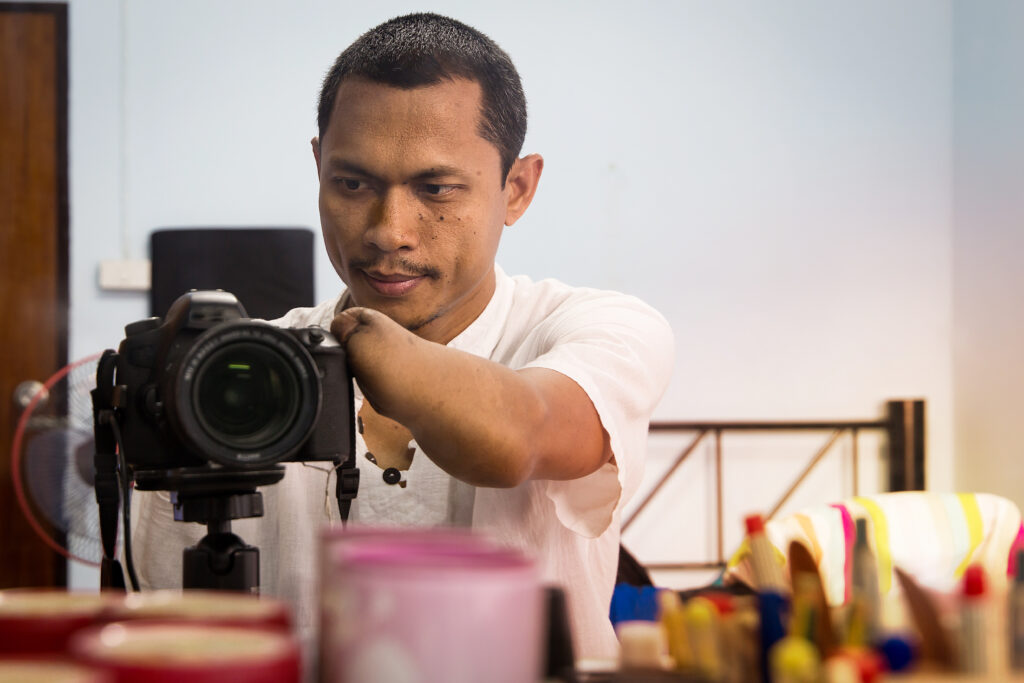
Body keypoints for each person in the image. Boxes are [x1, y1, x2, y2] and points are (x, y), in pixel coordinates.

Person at [130, 12, 674, 663]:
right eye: (353, 183)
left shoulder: (601, 328)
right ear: (318, 166)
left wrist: (368, 342)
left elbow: (522, 435)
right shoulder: (240, 369)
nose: (390, 230)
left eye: (436, 188)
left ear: (517, 188)